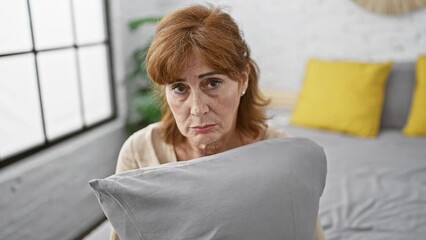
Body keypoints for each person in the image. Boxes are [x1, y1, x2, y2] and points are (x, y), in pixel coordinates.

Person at [112, 4, 324, 240]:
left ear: (242, 80)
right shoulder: (140, 153)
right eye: (180, 88)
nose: (198, 110)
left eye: (212, 83)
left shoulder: (280, 153)